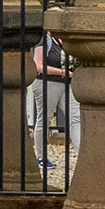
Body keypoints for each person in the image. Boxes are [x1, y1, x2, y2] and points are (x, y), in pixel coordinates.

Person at [27, 31, 82, 169]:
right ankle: (41, 156)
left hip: (66, 83)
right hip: (47, 83)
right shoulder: (43, 40)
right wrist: (62, 72)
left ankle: (82, 156)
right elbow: (38, 66)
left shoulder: (64, 40)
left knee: (76, 118)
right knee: (45, 117)